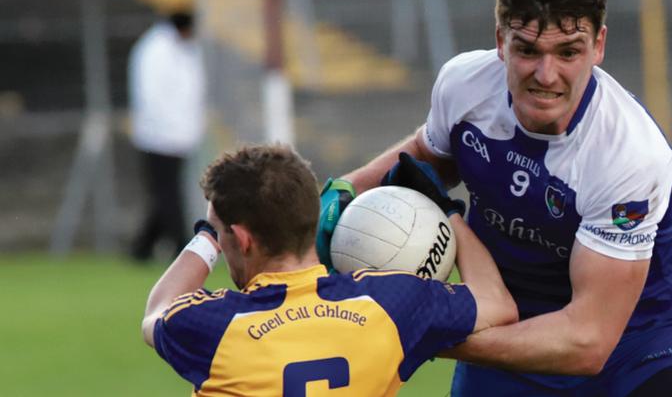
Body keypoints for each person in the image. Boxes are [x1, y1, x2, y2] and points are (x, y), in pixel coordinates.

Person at [316, 0, 672, 396]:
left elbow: (588, 342)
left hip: (641, 342)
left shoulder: (629, 153)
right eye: (527, 50)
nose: (546, 75)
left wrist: (422, 328)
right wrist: (339, 194)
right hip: (507, 324)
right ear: (500, 41)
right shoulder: (463, 85)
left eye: (568, 52)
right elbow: (422, 161)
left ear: (599, 46)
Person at [141, 144, 517, 396]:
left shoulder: (213, 325)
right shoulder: (391, 304)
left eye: (222, 235)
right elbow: (497, 302)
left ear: (242, 239)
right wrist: (447, 211)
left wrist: (206, 235)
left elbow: (158, 310)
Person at [128, 10, 206, 261]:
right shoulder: (156, 50)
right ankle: (181, 244)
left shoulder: (181, 50)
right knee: (169, 193)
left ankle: (142, 247)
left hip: (178, 136)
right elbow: (153, 96)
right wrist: (175, 129)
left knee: (165, 193)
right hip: (158, 137)